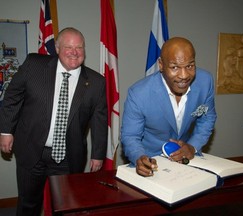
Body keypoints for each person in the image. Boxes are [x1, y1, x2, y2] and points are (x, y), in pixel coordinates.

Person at [0, 27, 108, 215]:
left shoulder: (96, 82)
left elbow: (99, 120)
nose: (74, 52)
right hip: (32, 149)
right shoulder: (34, 65)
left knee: (66, 206)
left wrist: (98, 154)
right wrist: (6, 131)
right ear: (57, 49)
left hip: (68, 157)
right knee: (28, 204)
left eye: (79, 47)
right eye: (68, 47)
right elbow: (12, 97)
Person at [121, 37, 217, 177]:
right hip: (152, 162)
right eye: (175, 67)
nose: (184, 76)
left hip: (188, 159)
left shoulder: (205, 81)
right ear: (161, 65)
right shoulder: (139, 94)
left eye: (190, 66)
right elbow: (130, 136)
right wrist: (139, 157)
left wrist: (192, 146)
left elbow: (208, 118)